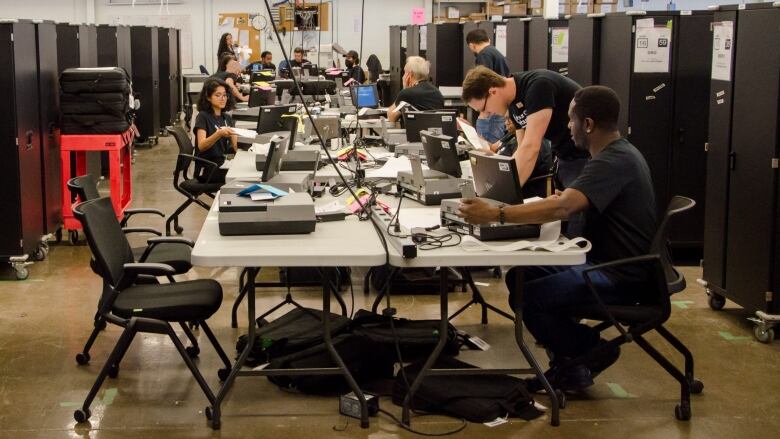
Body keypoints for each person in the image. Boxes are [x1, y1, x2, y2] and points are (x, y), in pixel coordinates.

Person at [458, 86, 657, 391]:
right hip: (608, 263)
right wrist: (572, 199)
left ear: (587, 124)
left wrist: (496, 215)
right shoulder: (618, 154)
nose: (567, 126)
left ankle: (588, 352)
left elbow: (563, 208)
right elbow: (576, 202)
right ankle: (571, 361)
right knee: (521, 278)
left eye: (571, 120)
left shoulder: (612, 161)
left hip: (619, 276)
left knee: (532, 298)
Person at [466, 29, 510, 144]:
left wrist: (483, 111)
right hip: (499, 108)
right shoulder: (496, 53)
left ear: (472, 45)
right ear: (488, 40)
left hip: (490, 113)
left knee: (487, 149)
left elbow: (482, 82)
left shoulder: (484, 55)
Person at [192, 78, 238, 185]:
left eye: (225, 95)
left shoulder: (226, 118)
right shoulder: (203, 117)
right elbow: (202, 146)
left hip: (222, 163)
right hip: (208, 169)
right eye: (218, 95)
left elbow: (235, 146)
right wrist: (218, 134)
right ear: (208, 97)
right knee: (240, 177)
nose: (223, 99)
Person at [386, 56, 444, 123]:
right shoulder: (437, 92)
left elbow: (391, 117)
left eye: (405, 72)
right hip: (434, 132)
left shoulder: (407, 94)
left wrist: (404, 89)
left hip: (413, 133)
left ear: (409, 75)